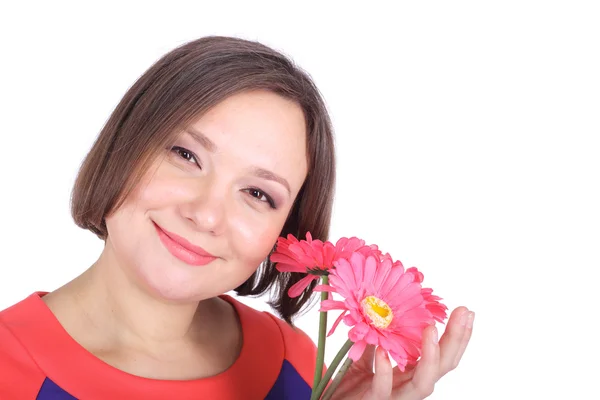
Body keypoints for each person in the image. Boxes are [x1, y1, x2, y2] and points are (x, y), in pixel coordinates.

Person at [0, 36, 473, 400]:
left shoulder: (297, 368)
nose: (206, 214)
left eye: (257, 193)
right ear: (125, 144)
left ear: (284, 232)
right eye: (186, 155)